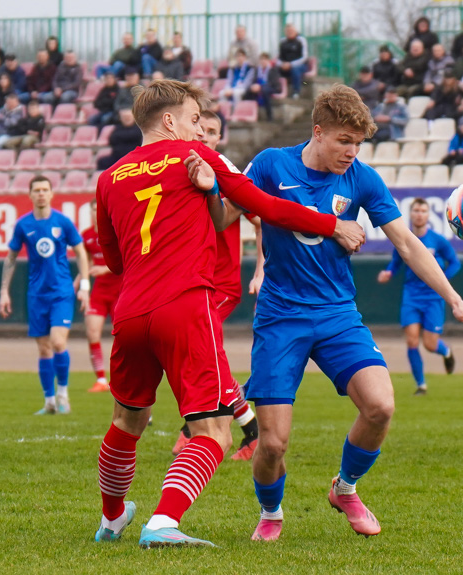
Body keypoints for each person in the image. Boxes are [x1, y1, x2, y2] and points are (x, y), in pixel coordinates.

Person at [92, 78, 365, 548]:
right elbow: (264, 204)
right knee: (215, 432)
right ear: (170, 120)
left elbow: (114, 261)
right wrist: (332, 223)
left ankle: (112, 518)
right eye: (195, 121)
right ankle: (162, 522)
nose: (201, 132)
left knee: (127, 421)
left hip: (130, 310)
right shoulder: (196, 159)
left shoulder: (107, 177)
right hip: (185, 305)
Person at [236, 84, 463, 542]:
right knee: (271, 443)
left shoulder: (362, 179)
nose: (351, 152)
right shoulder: (271, 164)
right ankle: (271, 512)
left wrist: (455, 299)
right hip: (280, 316)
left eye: (358, 143)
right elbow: (231, 210)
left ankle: (344, 488)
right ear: (318, 132)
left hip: (337, 314)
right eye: (343, 141)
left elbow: (408, 243)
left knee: (381, 407)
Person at [170, 108, 262, 461]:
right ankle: (209, 427)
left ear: (218, 137)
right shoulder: (184, 172)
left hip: (220, 284)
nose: (203, 135)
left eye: (210, 131)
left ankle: (248, 429)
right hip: (194, 282)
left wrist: (259, 271)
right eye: (199, 128)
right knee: (200, 355)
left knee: (208, 355)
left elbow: (261, 219)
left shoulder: (225, 176)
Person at [0, 175, 89, 415]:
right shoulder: (23, 225)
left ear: (51, 194)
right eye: (36, 190)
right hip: (37, 294)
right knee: (43, 349)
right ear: (30, 195)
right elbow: (10, 258)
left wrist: (85, 285)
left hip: (61, 292)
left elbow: (81, 252)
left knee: (58, 342)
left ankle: (63, 396)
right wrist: (3, 292)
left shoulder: (63, 222)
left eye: (44, 190)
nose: (40, 194)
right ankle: (49, 401)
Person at [378, 198, 460, 395]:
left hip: (433, 297)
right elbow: (396, 262)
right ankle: (421, 385)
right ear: (411, 214)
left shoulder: (437, 240)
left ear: (428, 215)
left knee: (430, 344)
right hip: (411, 296)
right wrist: (389, 272)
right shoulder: (404, 238)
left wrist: (441, 281)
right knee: (412, 341)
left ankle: (446, 352)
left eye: (423, 211)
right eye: (416, 210)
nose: (419, 214)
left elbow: (455, 263)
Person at [79, 198, 122, 393]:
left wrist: (105, 269)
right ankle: (101, 379)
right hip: (99, 291)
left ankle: (120, 379)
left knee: (123, 338)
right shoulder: (86, 235)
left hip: (120, 290)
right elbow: (86, 263)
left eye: (99, 210)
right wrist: (79, 281)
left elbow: (127, 259)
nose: (97, 213)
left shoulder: (116, 231)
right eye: (93, 210)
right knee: (92, 332)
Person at [247, 52, 282, 121]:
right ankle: (251, 113)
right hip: (260, 87)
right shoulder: (257, 70)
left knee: (265, 91)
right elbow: (254, 80)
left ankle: (269, 115)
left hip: (273, 87)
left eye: (265, 59)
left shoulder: (273, 69)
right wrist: (253, 86)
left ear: (268, 60)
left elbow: (273, 83)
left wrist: (261, 86)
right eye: (261, 59)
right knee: (248, 91)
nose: (263, 61)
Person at [277, 23, 308, 98]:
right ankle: (276, 90)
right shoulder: (282, 42)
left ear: (295, 31)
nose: (290, 32)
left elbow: (304, 57)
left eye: (291, 30)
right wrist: (281, 64)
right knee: (274, 70)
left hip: (299, 65)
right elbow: (278, 58)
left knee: (295, 70)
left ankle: (296, 92)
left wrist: (291, 64)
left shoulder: (301, 40)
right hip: (284, 66)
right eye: (288, 31)